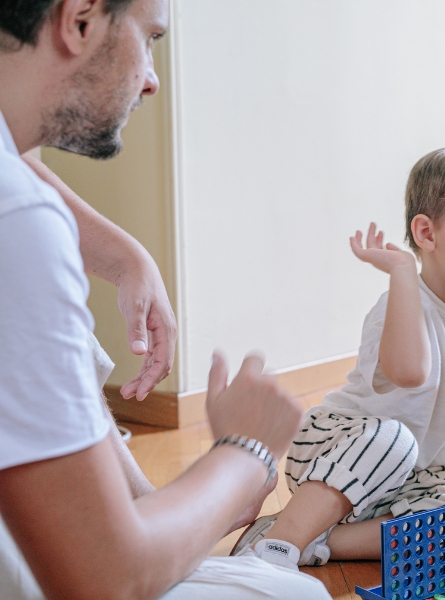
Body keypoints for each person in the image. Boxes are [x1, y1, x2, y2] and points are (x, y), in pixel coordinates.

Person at [0, 1, 330, 598]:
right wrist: (243, 453)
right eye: (150, 38)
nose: (151, 79)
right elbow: (105, 580)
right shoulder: (18, 222)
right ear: (80, 20)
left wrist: (125, 256)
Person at [231, 147, 445, 569]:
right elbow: (409, 371)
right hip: (342, 459)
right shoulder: (399, 304)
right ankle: (283, 541)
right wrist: (402, 271)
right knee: (396, 441)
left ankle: (318, 543)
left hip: (410, 486)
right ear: (426, 233)